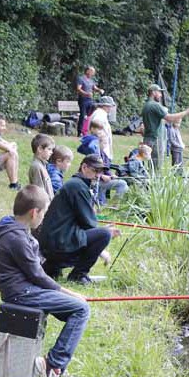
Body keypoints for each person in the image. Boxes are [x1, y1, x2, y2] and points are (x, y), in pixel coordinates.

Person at [0, 184, 89, 377]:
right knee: (81, 309)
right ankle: (53, 365)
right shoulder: (16, 237)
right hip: (22, 293)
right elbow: (38, 276)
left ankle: (55, 366)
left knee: (74, 309)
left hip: (23, 289)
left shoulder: (12, 228)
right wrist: (71, 293)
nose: (44, 218)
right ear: (34, 212)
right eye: (44, 213)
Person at [39, 154, 120, 285]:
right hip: (57, 244)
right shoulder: (78, 186)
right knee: (104, 235)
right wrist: (102, 247)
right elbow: (88, 224)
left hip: (52, 242)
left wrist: (99, 230)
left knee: (102, 232)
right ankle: (78, 275)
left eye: (100, 172)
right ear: (84, 167)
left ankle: (52, 268)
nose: (98, 175)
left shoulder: (75, 184)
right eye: (95, 170)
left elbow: (81, 221)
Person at [141, 84, 189, 170]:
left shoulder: (146, 105)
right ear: (153, 92)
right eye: (159, 92)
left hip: (147, 139)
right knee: (156, 167)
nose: (161, 95)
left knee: (150, 166)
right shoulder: (155, 105)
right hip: (155, 140)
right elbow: (170, 118)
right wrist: (187, 112)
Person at [78, 120, 128, 204]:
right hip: (94, 180)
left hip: (101, 179)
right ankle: (113, 205)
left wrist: (111, 175)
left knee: (124, 185)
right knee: (122, 184)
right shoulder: (94, 154)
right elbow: (91, 171)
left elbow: (106, 168)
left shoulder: (103, 154)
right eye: (104, 142)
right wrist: (102, 176)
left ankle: (109, 205)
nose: (105, 145)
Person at [76, 66, 104, 137]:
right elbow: (78, 89)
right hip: (83, 100)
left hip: (90, 100)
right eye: (92, 71)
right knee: (83, 116)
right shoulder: (81, 79)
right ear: (88, 71)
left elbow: (94, 88)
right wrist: (86, 93)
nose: (93, 73)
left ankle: (88, 130)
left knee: (90, 116)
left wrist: (99, 90)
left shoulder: (91, 80)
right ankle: (80, 132)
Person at [28, 134, 55, 202]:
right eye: (49, 149)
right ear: (40, 149)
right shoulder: (36, 167)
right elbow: (39, 192)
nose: (51, 152)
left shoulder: (43, 165)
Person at [90, 95, 115, 160]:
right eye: (110, 106)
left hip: (101, 149)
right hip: (101, 150)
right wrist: (102, 141)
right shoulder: (100, 113)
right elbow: (95, 124)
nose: (111, 108)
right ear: (105, 106)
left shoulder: (100, 113)